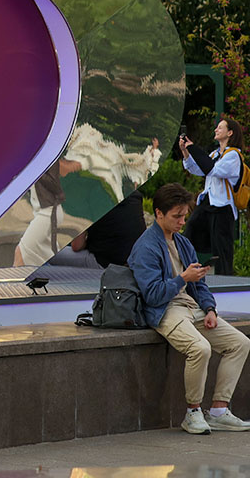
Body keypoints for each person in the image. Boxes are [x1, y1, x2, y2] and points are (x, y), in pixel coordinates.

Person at [128, 182, 250, 435]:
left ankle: (218, 412)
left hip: (192, 308)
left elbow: (200, 284)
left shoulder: (183, 243)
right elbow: (152, 295)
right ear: (159, 213)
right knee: (200, 349)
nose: (182, 222)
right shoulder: (145, 247)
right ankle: (193, 413)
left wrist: (210, 309)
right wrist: (183, 278)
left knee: (240, 343)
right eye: (177, 216)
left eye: (184, 216)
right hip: (164, 310)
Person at [180, 117, 245, 275]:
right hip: (207, 202)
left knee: (221, 248)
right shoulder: (215, 154)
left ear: (230, 133)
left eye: (220, 127)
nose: (216, 130)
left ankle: (225, 282)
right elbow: (198, 169)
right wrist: (185, 151)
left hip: (223, 207)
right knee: (188, 235)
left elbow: (212, 170)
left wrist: (193, 147)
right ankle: (184, 272)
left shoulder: (233, 155)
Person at [49, 190, 147, 270]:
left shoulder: (90, 197)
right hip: (134, 259)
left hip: (106, 263)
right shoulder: (135, 195)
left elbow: (76, 246)